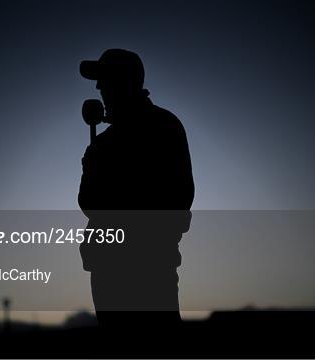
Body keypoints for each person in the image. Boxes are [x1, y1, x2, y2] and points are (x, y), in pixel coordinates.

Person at [78, 49, 195, 328]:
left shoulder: (163, 126)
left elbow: (178, 198)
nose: (99, 88)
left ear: (125, 82)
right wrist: (93, 169)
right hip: (107, 271)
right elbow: (88, 203)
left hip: (149, 272)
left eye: (104, 80)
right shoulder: (103, 143)